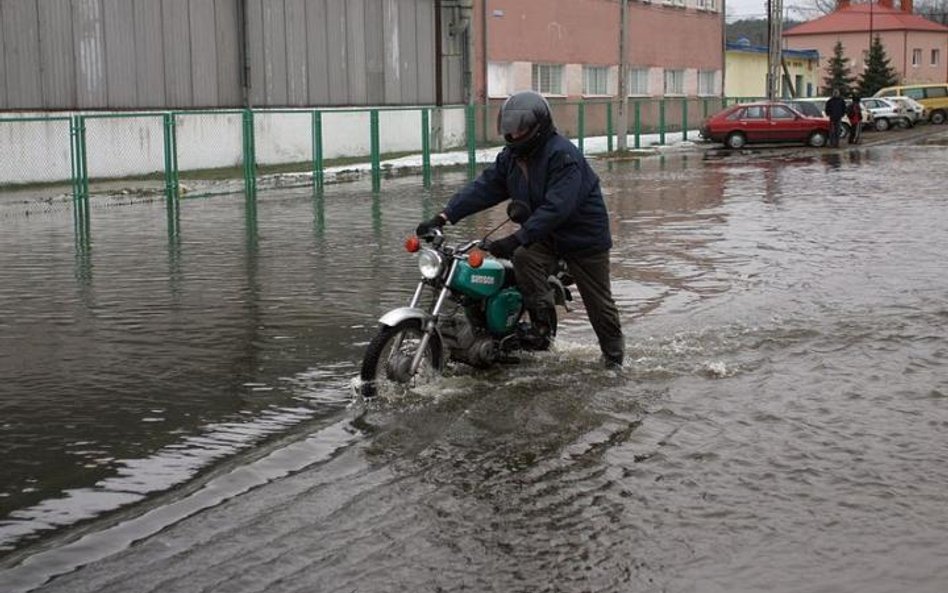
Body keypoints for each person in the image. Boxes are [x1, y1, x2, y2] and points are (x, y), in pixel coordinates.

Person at [415, 90, 625, 369]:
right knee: (525, 259)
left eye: (520, 130)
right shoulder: (511, 157)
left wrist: (516, 239)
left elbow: (556, 208)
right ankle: (539, 328)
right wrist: (443, 216)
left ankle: (614, 360)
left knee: (598, 303)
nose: (514, 136)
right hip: (545, 235)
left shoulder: (563, 156)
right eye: (509, 130)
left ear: (539, 125)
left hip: (582, 239)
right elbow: (485, 187)